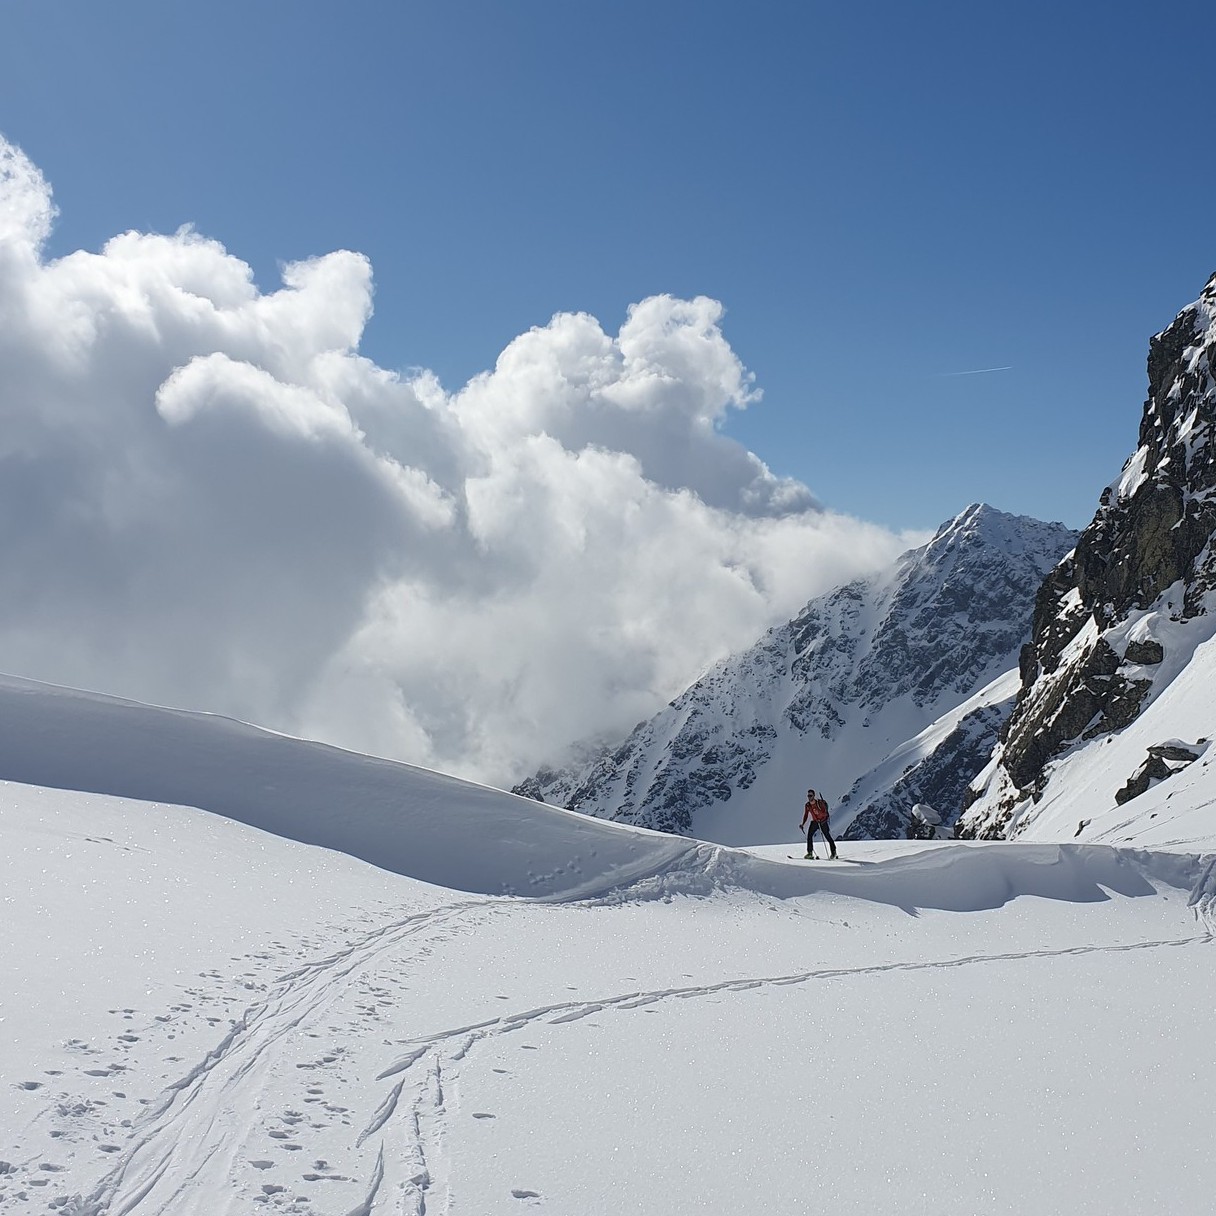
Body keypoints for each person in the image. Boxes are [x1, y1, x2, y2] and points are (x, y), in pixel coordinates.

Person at [800, 787, 837, 860]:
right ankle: (810, 853)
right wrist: (802, 824)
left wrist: (820, 816)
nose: (809, 797)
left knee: (827, 836)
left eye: (810, 795)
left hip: (822, 821)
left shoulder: (819, 803)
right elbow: (806, 815)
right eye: (808, 796)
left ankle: (833, 852)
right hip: (815, 822)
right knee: (809, 836)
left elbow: (825, 813)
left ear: (814, 796)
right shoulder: (807, 805)